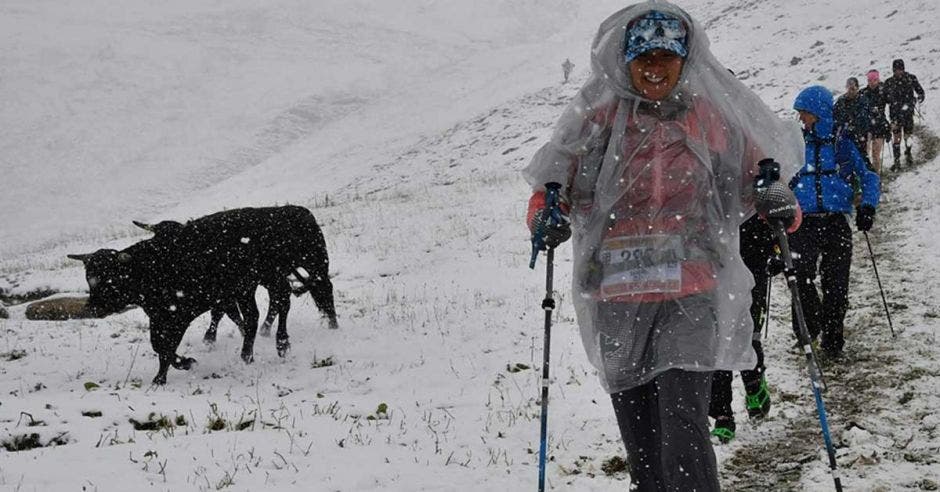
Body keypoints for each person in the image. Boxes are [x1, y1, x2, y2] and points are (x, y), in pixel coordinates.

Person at [522, 3, 803, 489]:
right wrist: (545, 217)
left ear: (685, 58)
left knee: (683, 423)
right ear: (624, 58)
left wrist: (779, 201)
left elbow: (761, 174)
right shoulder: (597, 117)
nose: (655, 66)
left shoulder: (709, 116)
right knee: (643, 445)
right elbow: (553, 185)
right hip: (618, 296)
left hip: (690, 292)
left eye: (666, 55)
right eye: (643, 55)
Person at [789, 85, 881, 358]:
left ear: (818, 112)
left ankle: (833, 339)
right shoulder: (794, 142)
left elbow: (869, 175)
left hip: (835, 221)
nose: (801, 120)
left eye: (804, 113)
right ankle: (807, 328)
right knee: (799, 278)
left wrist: (868, 206)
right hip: (801, 223)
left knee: (837, 285)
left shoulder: (843, 141)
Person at [708, 215, 781, 442]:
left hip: (753, 253)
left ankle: (753, 382)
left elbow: (778, 204)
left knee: (748, 330)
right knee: (716, 339)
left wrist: (776, 248)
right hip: (714, 257)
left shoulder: (752, 180)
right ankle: (722, 415)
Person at [884, 59, 925, 169]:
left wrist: (919, 98)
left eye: (900, 69)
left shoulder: (911, 78)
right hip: (895, 115)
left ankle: (908, 153)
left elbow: (920, 91)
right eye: (896, 70)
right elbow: (884, 98)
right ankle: (897, 160)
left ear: (903, 69)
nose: (898, 72)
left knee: (908, 136)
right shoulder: (888, 83)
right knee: (896, 137)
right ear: (893, 70)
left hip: (908, 113)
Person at [834, 77, 871, 165]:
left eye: (853, 89)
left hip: (860, 134)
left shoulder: (863, 100)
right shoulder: (841, 101)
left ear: (857, 88)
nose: (850, 91)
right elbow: (836, 116)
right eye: (848, 88)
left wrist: (853, 124)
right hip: (845, 134)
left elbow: (864, 117)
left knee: (861, 156)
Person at [860, 70, 891, 173]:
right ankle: (866, 175)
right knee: (865, 153)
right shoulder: (863, 93)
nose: (872, 82)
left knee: (876, 154)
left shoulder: (884, 92)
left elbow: (893, 102)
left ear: (878, 80)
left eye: (874, 80)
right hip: (866, 126)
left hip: (880, 125)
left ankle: (876, 176)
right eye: (869, 80)